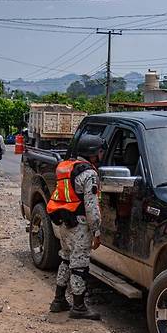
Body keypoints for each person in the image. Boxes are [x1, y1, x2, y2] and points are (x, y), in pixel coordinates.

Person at [46, 135, 106, 320]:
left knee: (65, 258)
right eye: (100, 151)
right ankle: (79, 306)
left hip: (63, 222)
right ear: (93, 153)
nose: (102, 154)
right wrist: (96, 230)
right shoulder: (89, 174)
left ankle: (58, 300)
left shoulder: (66, 167)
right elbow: (91, 205)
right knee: (79, 264)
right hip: (80, 225)